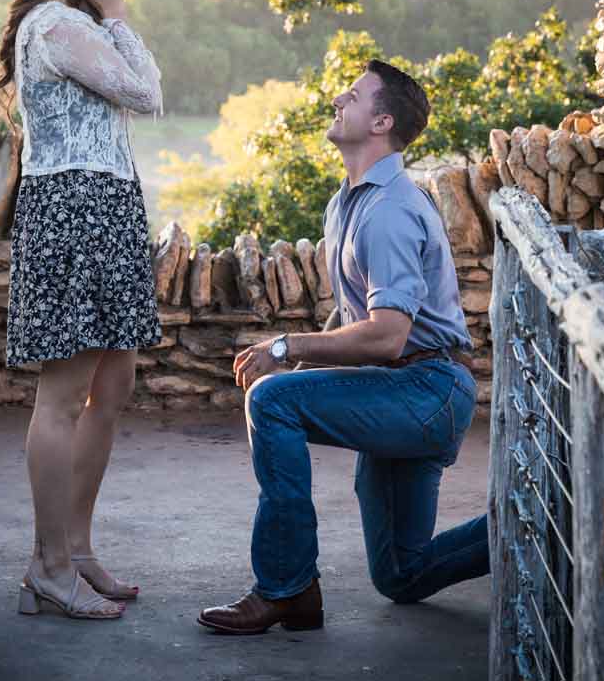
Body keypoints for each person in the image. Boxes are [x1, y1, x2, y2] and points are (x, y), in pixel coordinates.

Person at [198, 60, 488, 635]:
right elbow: (356, 318)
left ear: (381, 121)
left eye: (352, 97)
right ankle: (532, 521)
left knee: (273, 400)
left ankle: (286, 587)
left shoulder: (390, 210)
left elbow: (387, 334)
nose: (339, 100)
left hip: (425, 390)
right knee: (400, 576)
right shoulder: (347, 203)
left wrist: (285, 350)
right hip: (402, 388)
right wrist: (308, 355)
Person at [0, 0, 164, 621]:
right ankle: (49, 564)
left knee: (114, 379)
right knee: (62, 395)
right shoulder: (57, 26)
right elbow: (148, 93)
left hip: (110, 207)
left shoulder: (85, 25)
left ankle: (75, 546)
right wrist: (118, 14)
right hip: (72, 211)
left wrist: (114, 15)